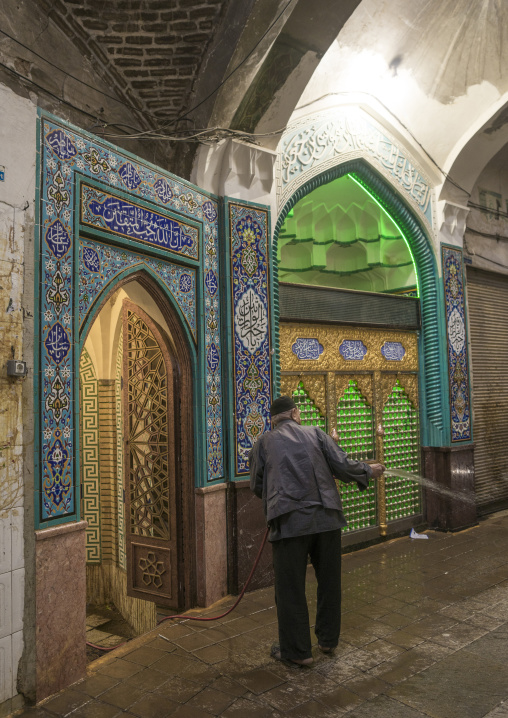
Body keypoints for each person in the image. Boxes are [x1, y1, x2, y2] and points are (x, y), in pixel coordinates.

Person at [249, 395, 385, 666]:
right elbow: (343, 466)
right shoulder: (316, 433)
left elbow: (257, 485)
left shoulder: (263, 443)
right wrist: (368, 471)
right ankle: (327, 641)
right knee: (329, 582)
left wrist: (278, 497)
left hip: (290, 523)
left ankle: (299, 652)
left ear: (273, 420)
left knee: (290, 589)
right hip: (327, 519)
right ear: (296, 413)